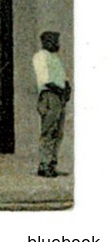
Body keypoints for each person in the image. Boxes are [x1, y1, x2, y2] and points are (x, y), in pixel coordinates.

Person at [33, 30, 70, 177]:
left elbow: (63, 78)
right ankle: (44, 164)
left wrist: (67, 89)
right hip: (49, 95)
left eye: (57, 41)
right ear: (45, 42)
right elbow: (45, 80)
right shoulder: (40, 57)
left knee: (58, 132)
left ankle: (52, 163)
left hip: (59, 96)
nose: (56, 44)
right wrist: (61, 91)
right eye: (53, 40)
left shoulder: (55, 57)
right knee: (48, 130)